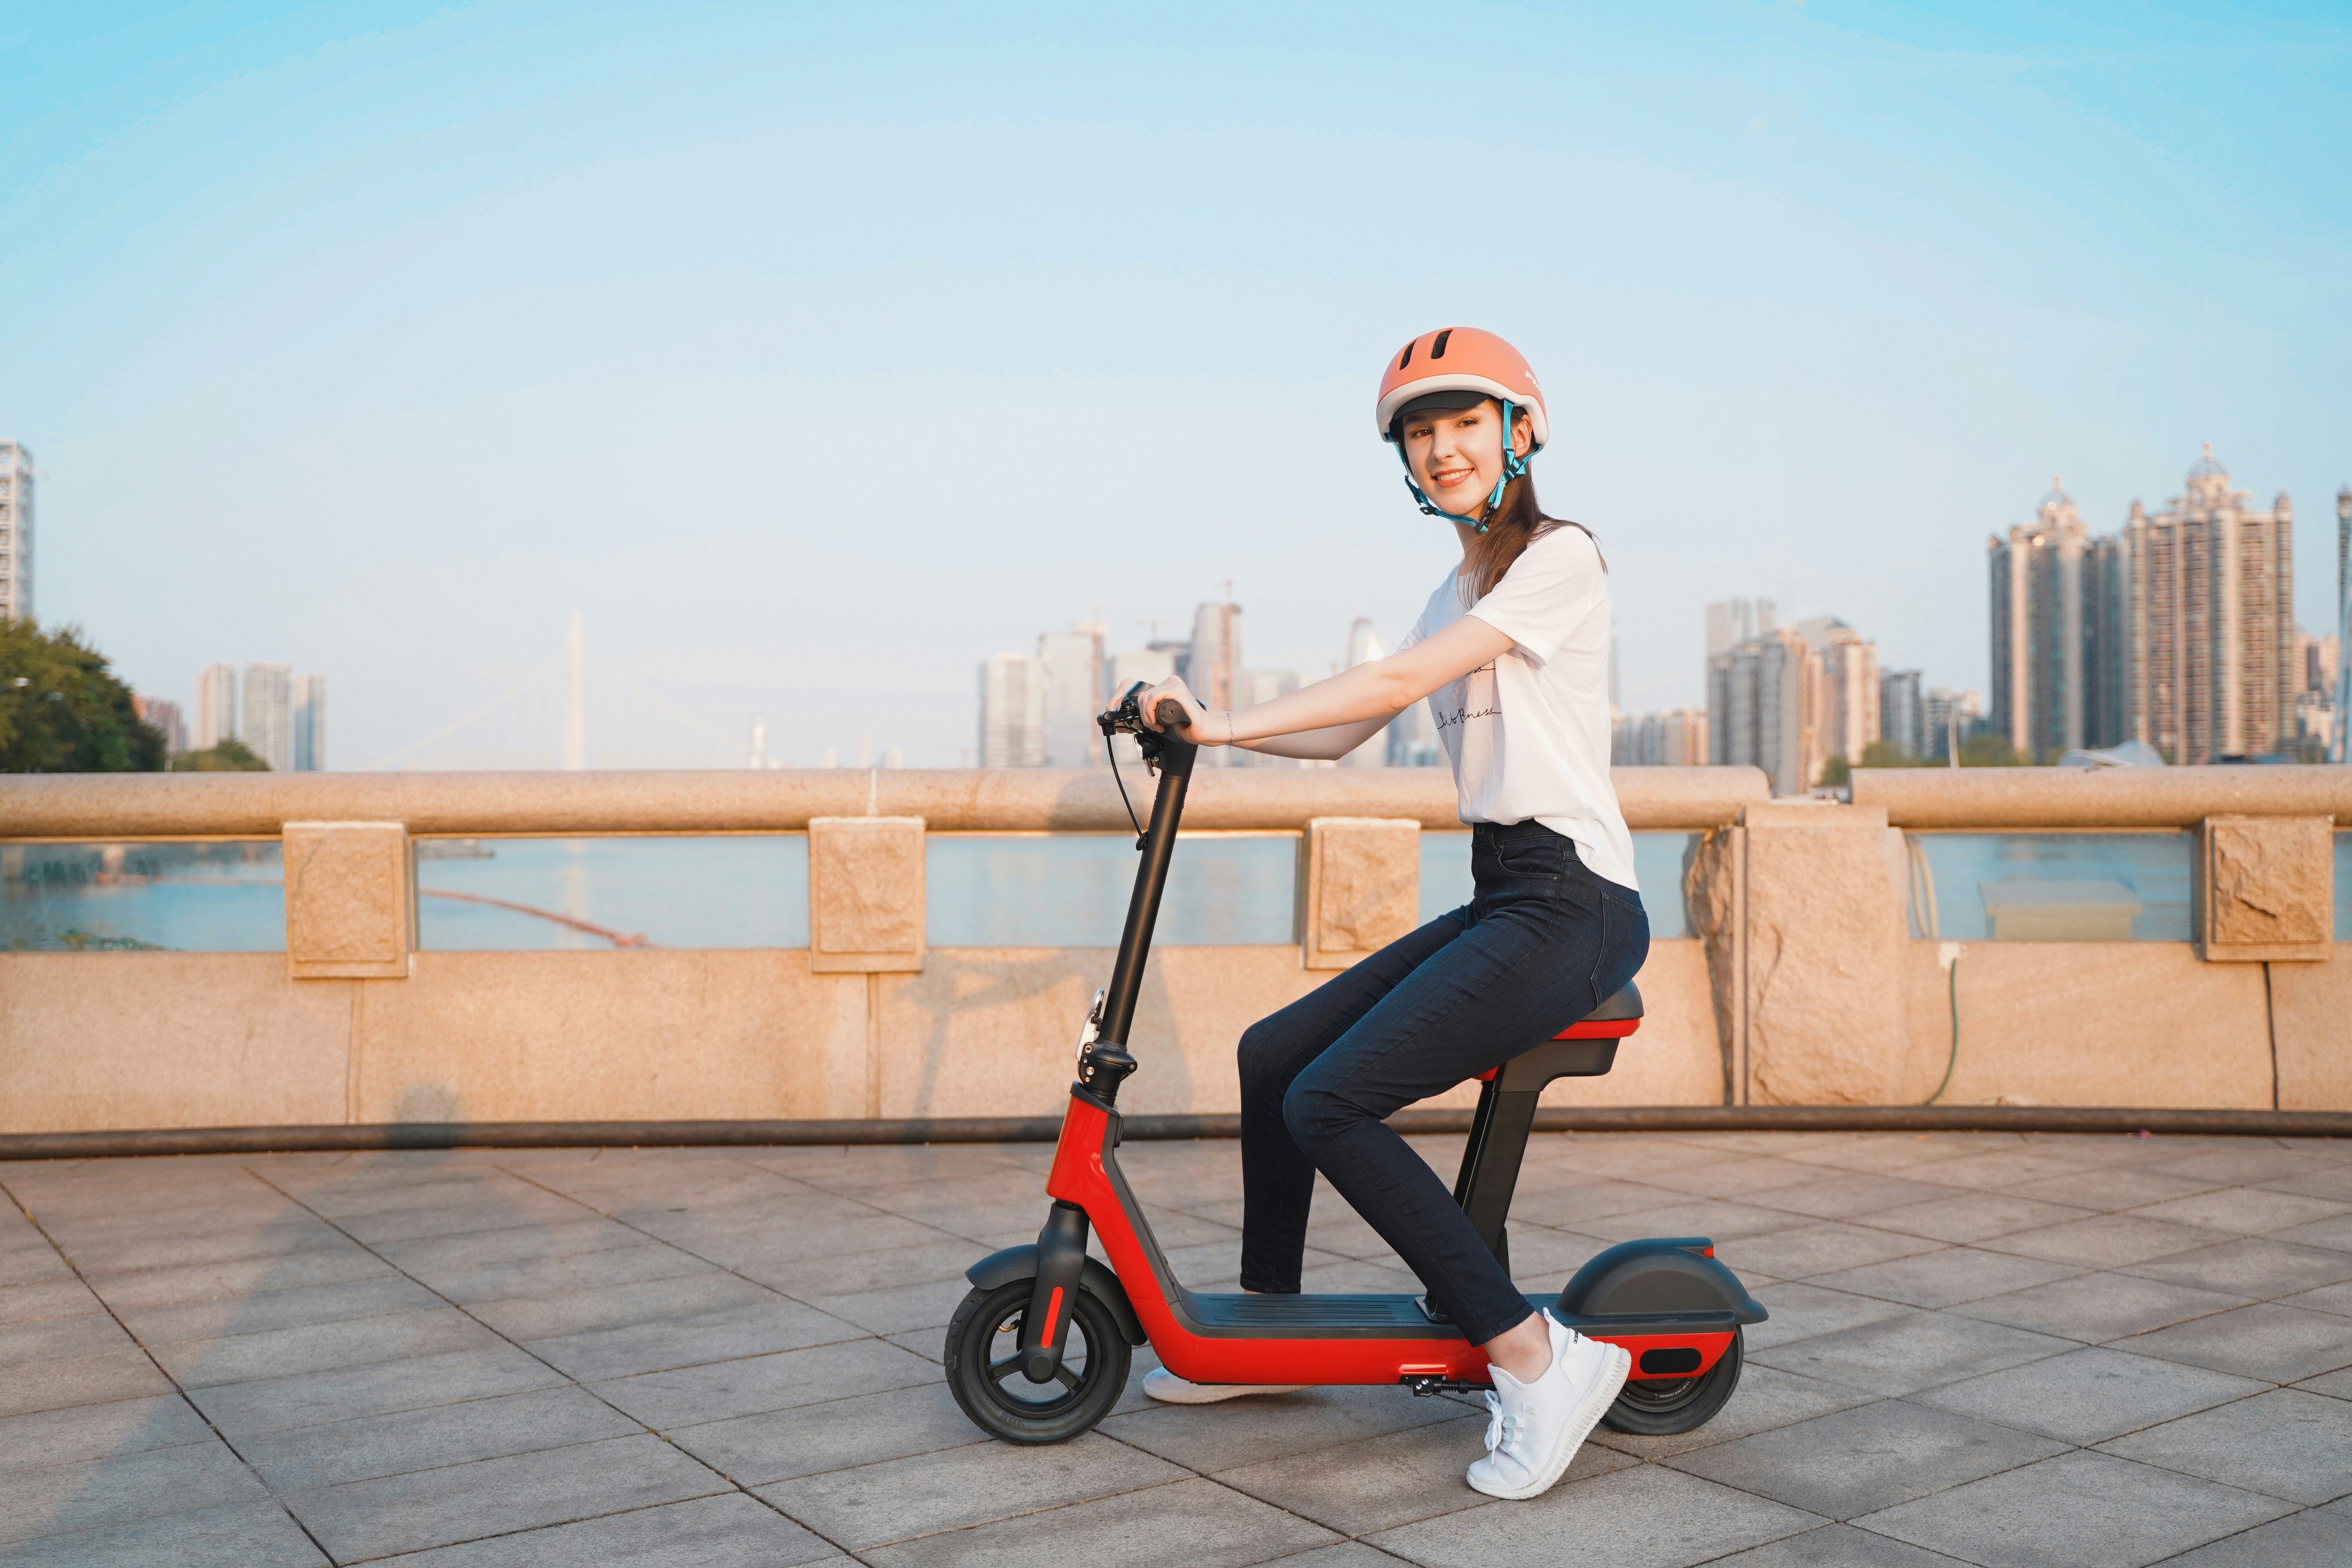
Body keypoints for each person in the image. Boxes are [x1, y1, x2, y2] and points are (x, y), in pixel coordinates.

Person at [1125, 327, 1649, 1502]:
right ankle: (1259, 1334)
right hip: (1508, 887)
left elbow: (1390, 684)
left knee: (1331, 1098)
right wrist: (1202, 720)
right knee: (1277, 1057)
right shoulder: (1450, 587)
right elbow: (1344, 728)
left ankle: (1537, 1359)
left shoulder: (1560, 558)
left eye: (1466, 422)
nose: (1443, 446)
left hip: (1580, 901)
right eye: (1422, 431)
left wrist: (1217, 726)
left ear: (1521, 434)